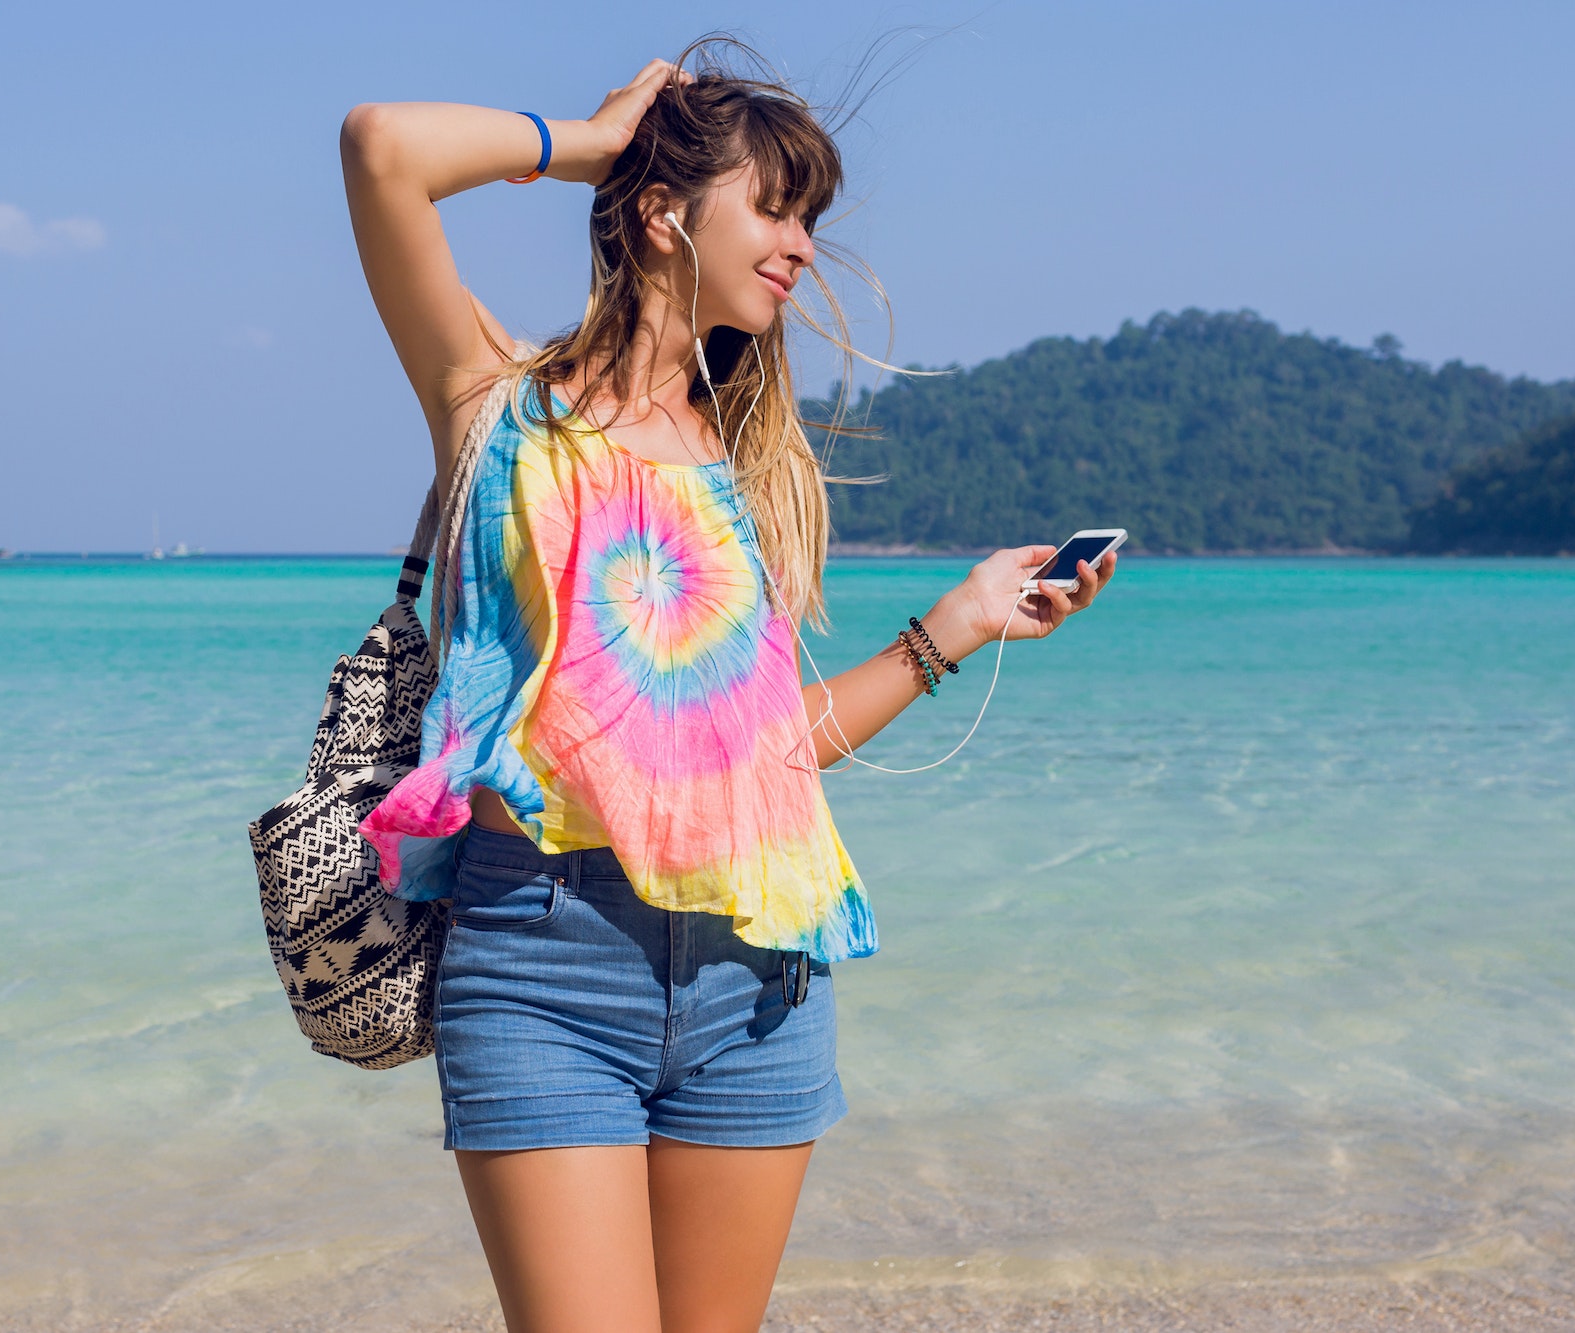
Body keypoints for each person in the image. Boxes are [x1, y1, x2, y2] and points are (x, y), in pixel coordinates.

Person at [342, 43, 1116, 1333]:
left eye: (809, 217)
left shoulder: (748, 463)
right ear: (663, 215)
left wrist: (959, 626)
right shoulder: (496, 404)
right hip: (543, 969)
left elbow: (764, 761)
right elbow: (381, 149)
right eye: (775, 207)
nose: (801, 246)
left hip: (757, 985)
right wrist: (588, 143)